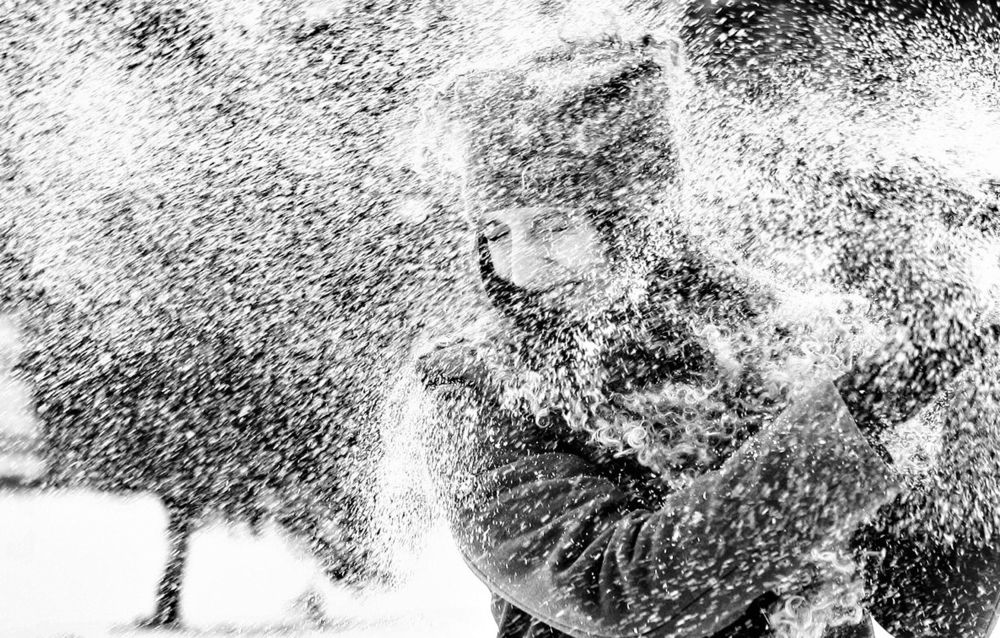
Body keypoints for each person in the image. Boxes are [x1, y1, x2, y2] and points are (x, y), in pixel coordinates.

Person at [408, 36, 1000, 637]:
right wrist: (856, 413)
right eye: (497, 233)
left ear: (637, 223)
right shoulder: (474, 392)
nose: (522, 267)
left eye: (554, 226)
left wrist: (970, 401)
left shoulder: (762, 335)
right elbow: (625, 594)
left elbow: (935, 608)